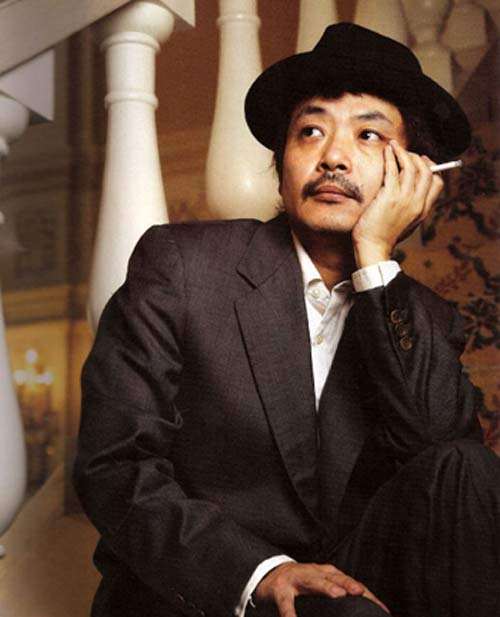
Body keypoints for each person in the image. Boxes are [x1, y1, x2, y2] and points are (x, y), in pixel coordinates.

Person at [73, 23, 500, 617]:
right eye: (310, 131)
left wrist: (375, 256)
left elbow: (447, 480)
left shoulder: (423, 316)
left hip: (347, 584)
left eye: (369, 134)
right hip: (211, 591)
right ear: (281, 164)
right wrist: (261, 573)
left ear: (413, 174)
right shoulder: (181, 265)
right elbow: (114, 465)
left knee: (464, 463)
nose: (333, 157)